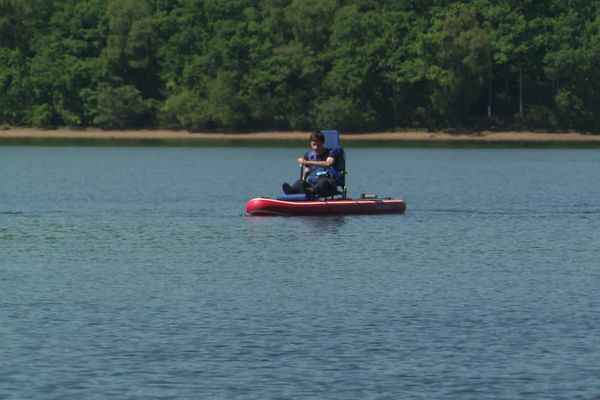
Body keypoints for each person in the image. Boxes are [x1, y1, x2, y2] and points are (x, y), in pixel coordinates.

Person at [282, 131, 343, 198]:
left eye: (318, 144)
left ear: (322, 143)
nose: (315, 147)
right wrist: (303, 178)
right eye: (313, 144)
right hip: (313, 183)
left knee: (323, 181)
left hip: (329, 184)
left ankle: (311, 191)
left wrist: (309, 162)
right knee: (300, 182)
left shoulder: (332, 152)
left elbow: (328, 164)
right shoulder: (308, 155)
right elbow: (307, 170)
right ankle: (292, 192)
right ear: (310, 143)